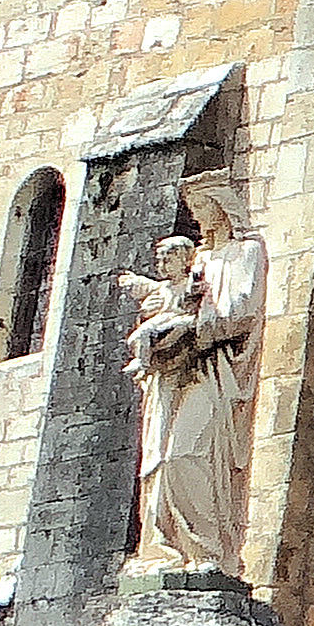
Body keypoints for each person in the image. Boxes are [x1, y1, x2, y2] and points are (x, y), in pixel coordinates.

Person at [122, 169, 267, 578]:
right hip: (176, 371)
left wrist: (191, 325)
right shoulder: (196, 261)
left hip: (215, 371)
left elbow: (241, 309)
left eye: (205, 208)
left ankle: (210, 552)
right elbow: (165, 299)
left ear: (224, 208)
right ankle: (167, 549)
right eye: (195, 210)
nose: (200, 218)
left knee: (188, 456)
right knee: (161, 460)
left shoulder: (246, 252)